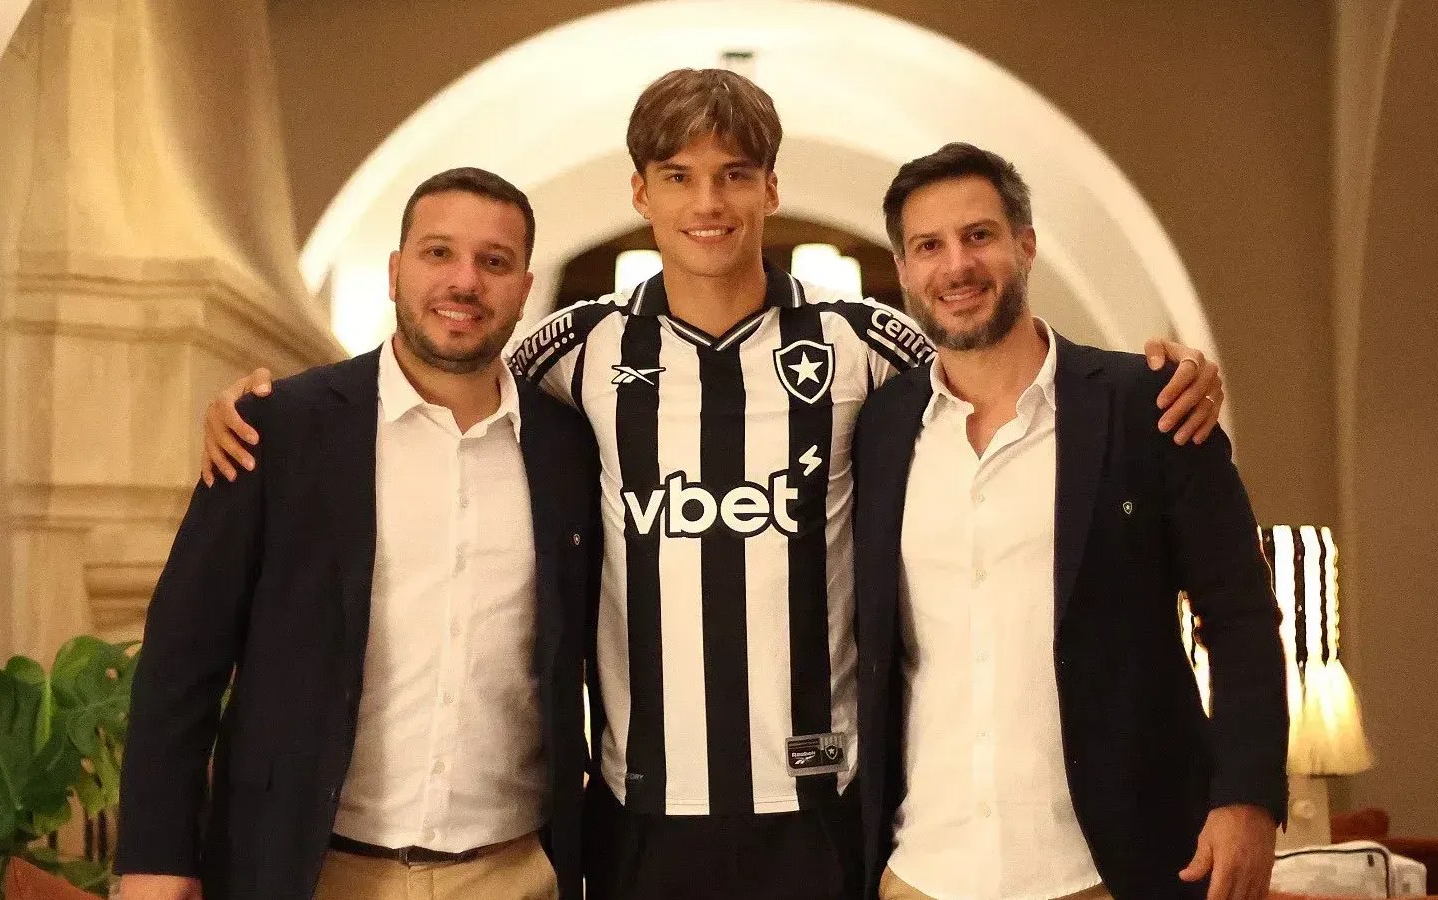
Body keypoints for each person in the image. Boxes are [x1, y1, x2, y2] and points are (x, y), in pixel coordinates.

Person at [199, 71, 1225, 900]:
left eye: (735, 175)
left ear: (770, 190)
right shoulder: (573, 351)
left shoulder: (866, 344)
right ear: (639, 193)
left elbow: (1001, 373)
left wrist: (1152, 377)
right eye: (679, 175)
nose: (708, 202)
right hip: (642, 821)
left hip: (823, 815)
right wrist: (268, 405)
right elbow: (438, 384)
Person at [115, 168, 600, 900]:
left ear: (524, 287)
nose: (465, 281)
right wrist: (156, 858)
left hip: (513, 874)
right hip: (311, 872)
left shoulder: (570, 449)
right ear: (396, 271)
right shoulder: (277, 429)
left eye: (494, 261)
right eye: (439, 253)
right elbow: (183, 658)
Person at [852, 143, 1288, 900]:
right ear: (904, 270)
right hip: (923, 869)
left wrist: (1246, 796)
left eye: (979, 235)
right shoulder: (879, 429)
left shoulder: (1149, 405)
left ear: (1025, 244)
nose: (957, 266)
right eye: (929, 246)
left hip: (1107, 870)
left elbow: (1241, 616)